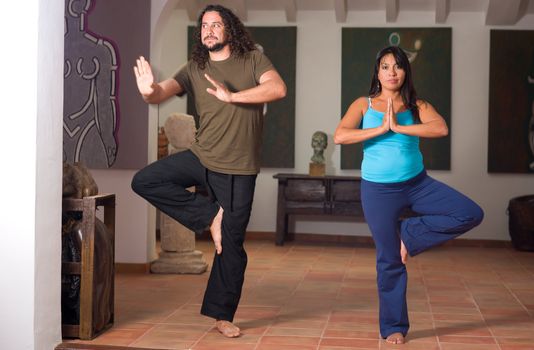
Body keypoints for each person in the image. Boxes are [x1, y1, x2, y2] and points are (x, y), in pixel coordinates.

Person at [131, 4, 286, 338]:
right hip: (202, 157)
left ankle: (222, 315)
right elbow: (161, 91)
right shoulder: (194, 68)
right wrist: (148, 91)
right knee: (145, 180)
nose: (209, 30)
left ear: (229, 29)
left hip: (239, 168)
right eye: (204, 25)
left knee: (230, 246)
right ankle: (210, 215)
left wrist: (234, 97)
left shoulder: (253, 61)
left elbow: (277, 88)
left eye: (216, 24)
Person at [334, 46, 483, 344]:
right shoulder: (363, 105)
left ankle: (409, 234)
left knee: (470, 213)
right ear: (377, 72)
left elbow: (440, 129)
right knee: (389, 260)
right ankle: (393, 327)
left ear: (405, 72)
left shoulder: (417, 104)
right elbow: (340, 135)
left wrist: (399, 126)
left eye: (397, 66)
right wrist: (380, 130)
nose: (391, 72)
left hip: (418, 185)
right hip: (377, 191)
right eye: (385, 66)